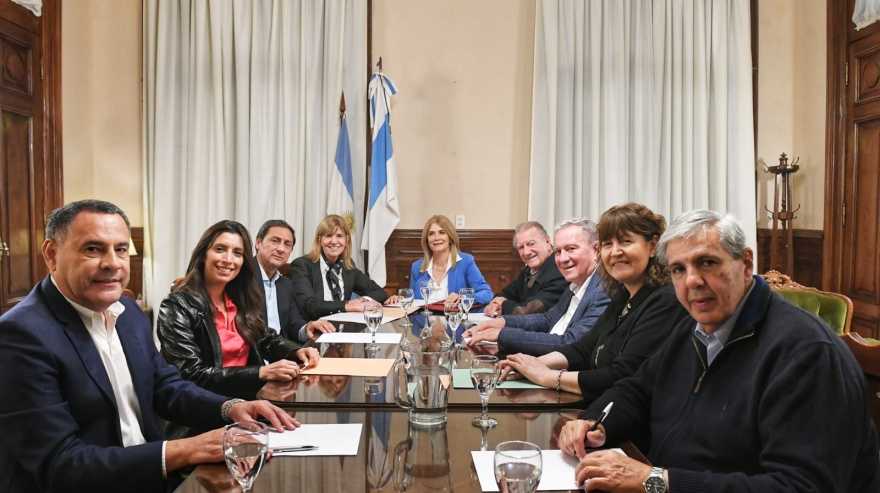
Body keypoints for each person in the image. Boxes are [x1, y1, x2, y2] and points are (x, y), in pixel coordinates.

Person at [561, 210, 880, 493]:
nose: (692, 281)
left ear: (746, 263)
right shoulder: (693, 327)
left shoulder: (807, 353)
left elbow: (799, 486)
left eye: (707, 263)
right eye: (678, 269)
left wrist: (656, 481)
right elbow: (637, 389)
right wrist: (595, 422)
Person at [0, 200, 297, 493]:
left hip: (153, 475)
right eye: (92, 249)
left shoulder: (128, 312)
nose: (112, 263)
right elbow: (60, 465)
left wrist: (231, 407)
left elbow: (165, 386)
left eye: (120, 249)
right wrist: (188, 449)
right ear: (51, 254)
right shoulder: (21, 335)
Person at [493, 204, 689, 409]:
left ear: (652, 246)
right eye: (608, 244)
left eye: (626, 241)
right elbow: (582, 349)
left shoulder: (665, 300)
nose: (615, 252)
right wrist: (531, 365)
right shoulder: (622, 295)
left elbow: (621, 376)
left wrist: (548, 376)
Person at [158, 220, 320, 399]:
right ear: (203, 254)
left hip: (246, 397)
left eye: (237, 253)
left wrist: (295, 351)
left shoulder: (240, 298)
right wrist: (260, 372)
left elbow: (265, 339)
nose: (228, 259)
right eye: (220, 249)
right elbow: (190, 374)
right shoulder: (176, 306)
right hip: (205, 404)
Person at [463, 218, 611, 356]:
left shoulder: (603, 290)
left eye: (571, 248)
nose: (562, 259)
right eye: (558, 251)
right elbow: (547, 319)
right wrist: (501, 322)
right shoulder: (576, 283)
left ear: (596, 250)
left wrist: (502, 335)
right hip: (547, 357)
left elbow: (570, 343)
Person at [291, 214, 392, 320]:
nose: (334, 241)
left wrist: (362, 301)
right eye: (328, 236)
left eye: (339, 236)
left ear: (346, 240)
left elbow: (380, 293)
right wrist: (347, 305)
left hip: (343, 325)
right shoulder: (302, 265)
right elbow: (309, 306)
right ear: (319, 240)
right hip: (315, 326)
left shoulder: (348, 265)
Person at [253, 219, 335, 342]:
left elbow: (294, 323)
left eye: (287, 244)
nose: (281, 249)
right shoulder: (242, 276)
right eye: (275, 241)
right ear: (258, 243)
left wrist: (307, 327)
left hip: (282, 349)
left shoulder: (286, 284)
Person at [483, 221, 567, 316]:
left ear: (547, 241)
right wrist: (495, 303)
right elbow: (506, 293)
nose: (526, 252)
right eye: (521, 247)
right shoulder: (528, 271)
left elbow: (528, 311)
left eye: (531, 244)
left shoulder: (561, 269)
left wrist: (502, 304)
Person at [409, 214, 493, 305]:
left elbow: (487, 293)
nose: (436, 238)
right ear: (427, 240)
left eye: (442, 232)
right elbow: (411, 300)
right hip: (423, 314)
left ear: (450, 237)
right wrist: (402, 299)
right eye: (431, 234)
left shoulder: (466, 262)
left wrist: (463, 297)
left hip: (454, 314)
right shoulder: (417, 266)